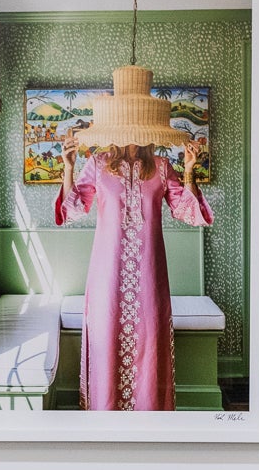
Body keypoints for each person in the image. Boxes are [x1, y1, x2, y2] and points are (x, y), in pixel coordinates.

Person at [57, 133, 213, 412]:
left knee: (150, 338)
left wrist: (189, 171)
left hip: (149, 273)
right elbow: (73, 210)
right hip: (108, 271)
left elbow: (187, 211)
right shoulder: (98, 163)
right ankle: (104, 417)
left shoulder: (161, 166)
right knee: (106, 336)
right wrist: (68, 167)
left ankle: (150, 421)